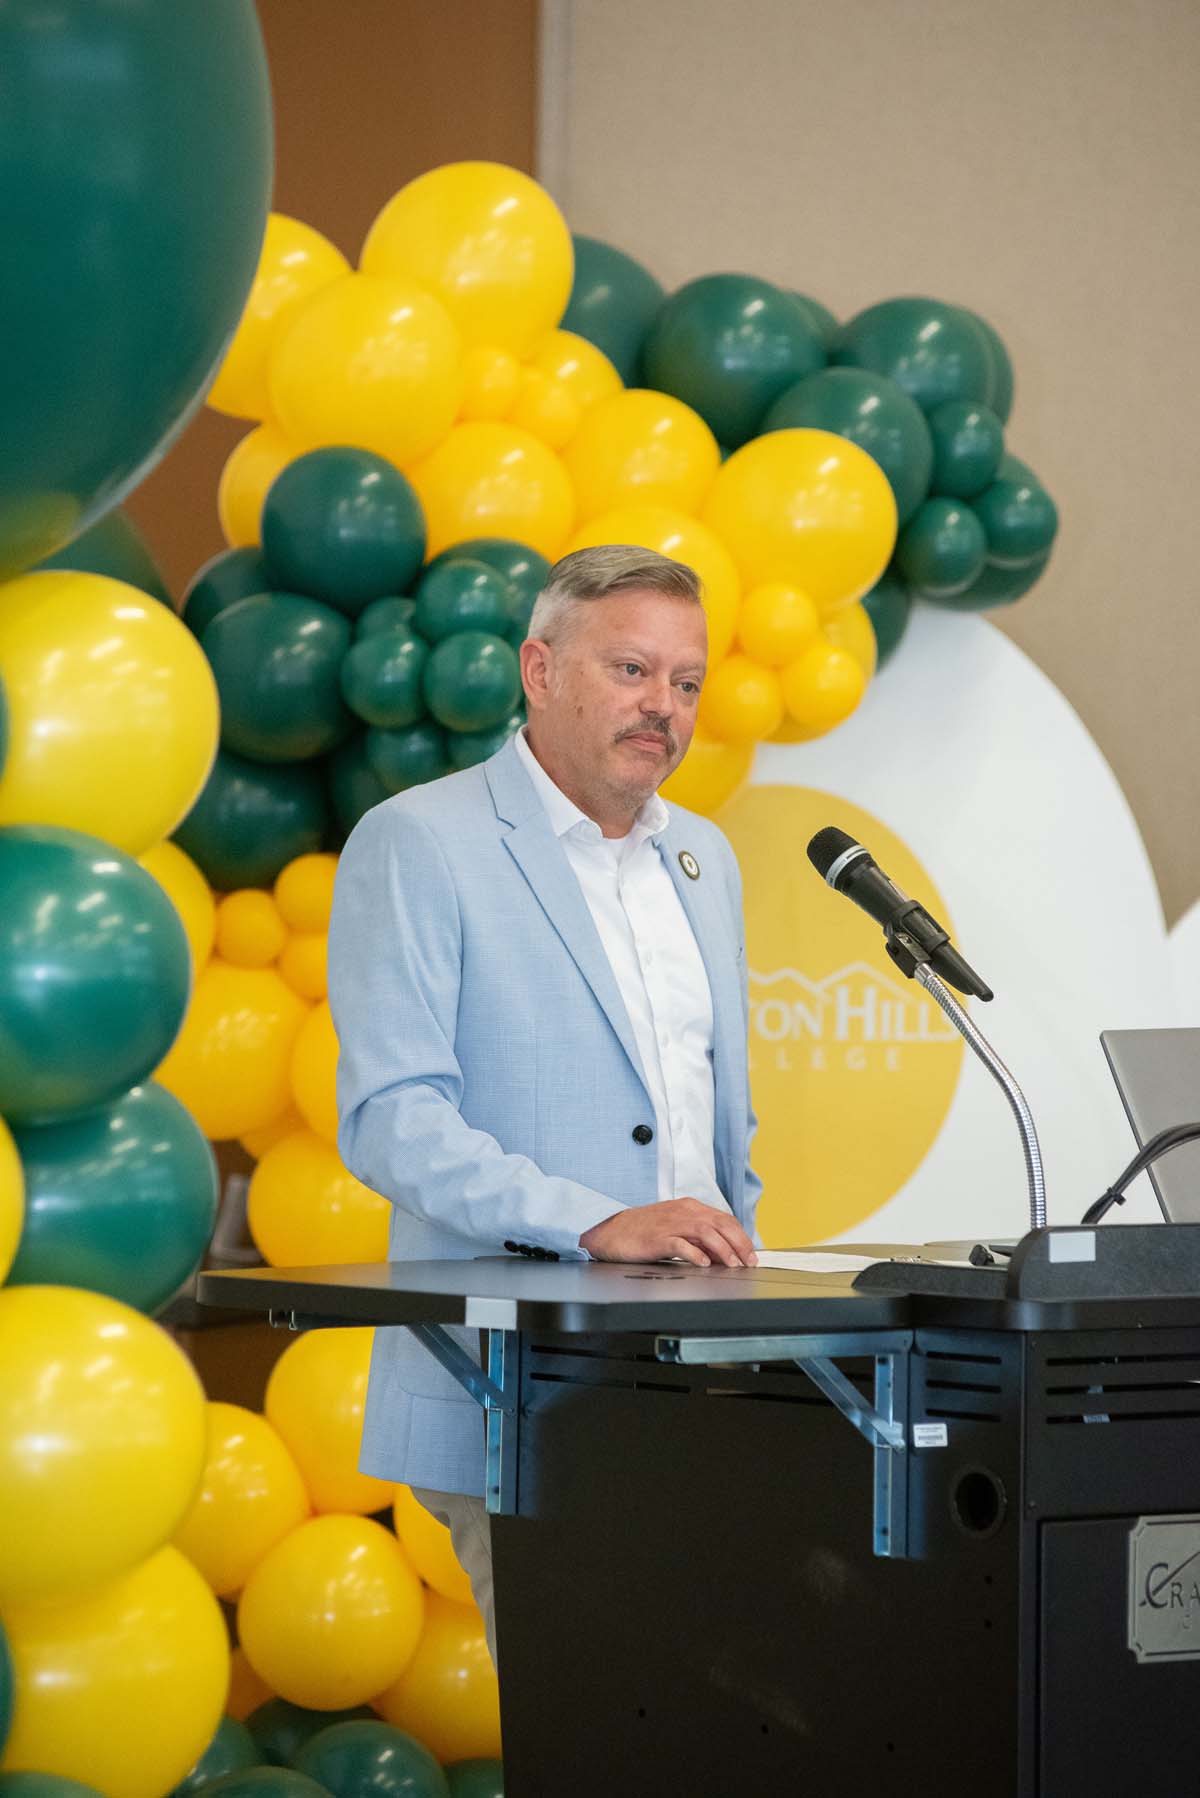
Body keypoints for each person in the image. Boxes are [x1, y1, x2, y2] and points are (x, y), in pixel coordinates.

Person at [328, 544, 762, 1664]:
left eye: (686, 682)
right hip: (515, 1387)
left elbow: (709, 1121)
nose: (663, 705)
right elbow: (393, 1119)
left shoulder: (705, 857)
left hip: (708, 1382)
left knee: (719, 1719)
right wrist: (596, 1220)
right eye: (631, 669)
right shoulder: (421, 841)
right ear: (539, 669)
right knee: (589, 1719)